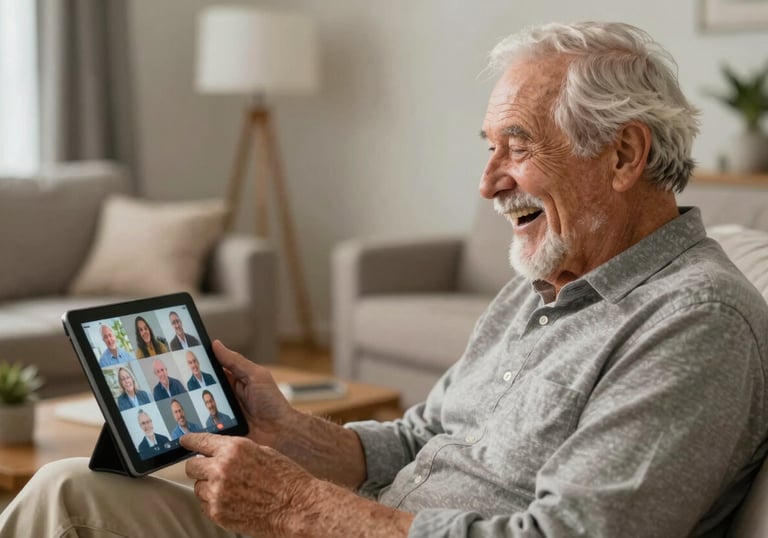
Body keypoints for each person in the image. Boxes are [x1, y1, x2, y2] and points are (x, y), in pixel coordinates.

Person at [2, 21, 768, 538]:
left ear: (625, 156)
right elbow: (420, 436)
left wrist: (303, 506)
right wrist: (289, 433)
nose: (489, 183)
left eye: (517, 145)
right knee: (69, 486)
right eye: (487, 147)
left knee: (67, 500)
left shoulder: (693, 324)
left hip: (345, 528)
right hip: (362, 521)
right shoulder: (547, 280)